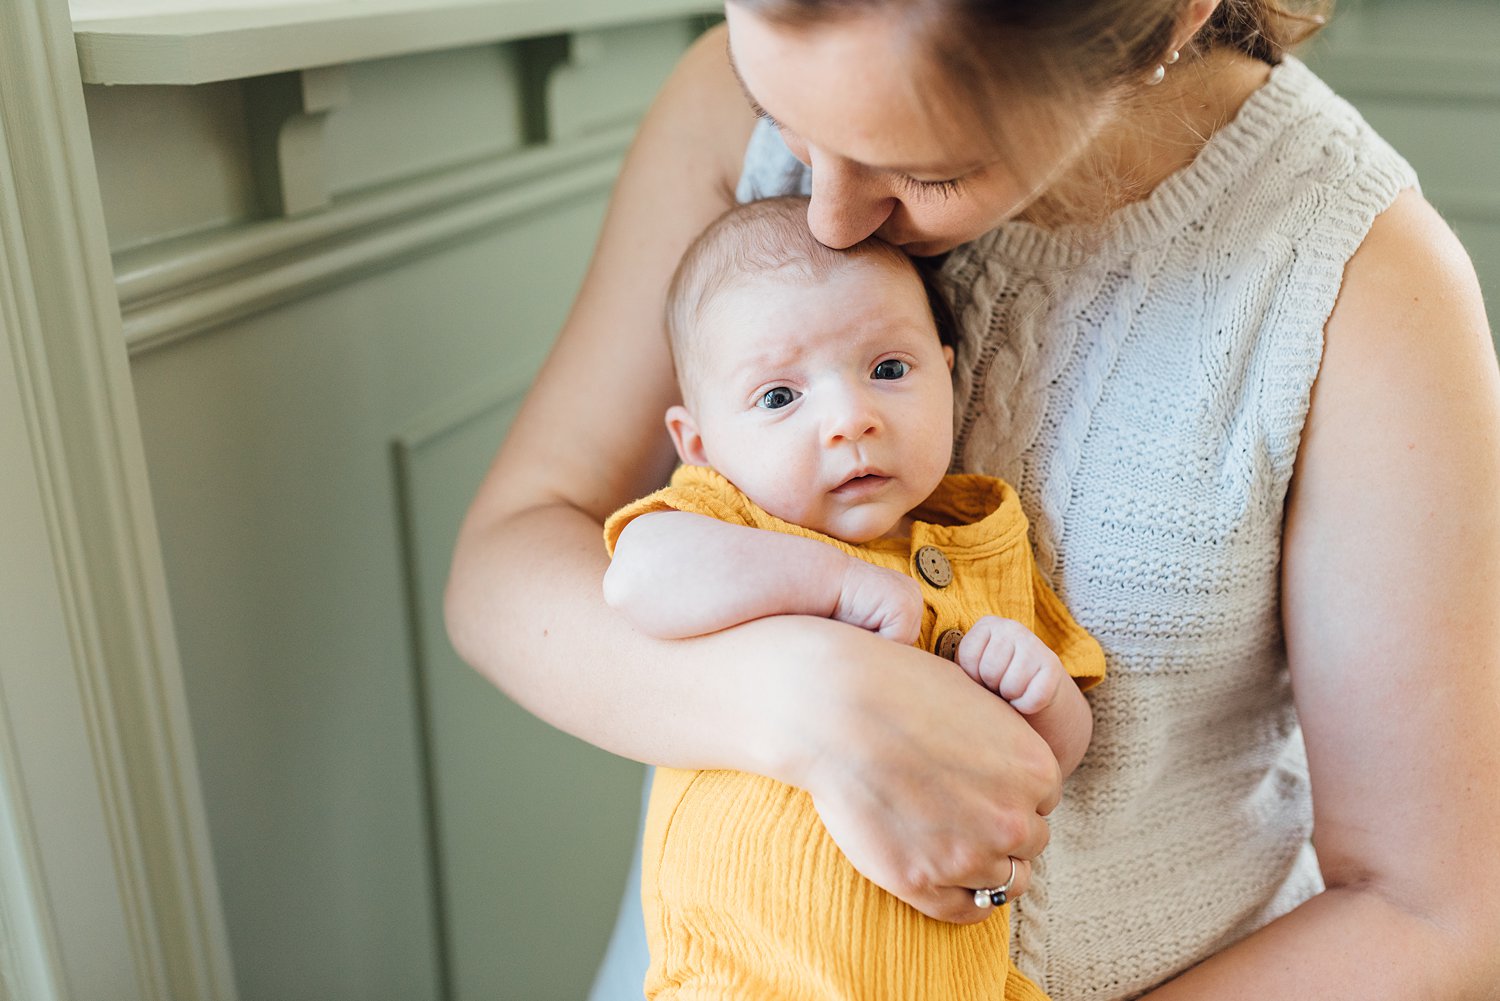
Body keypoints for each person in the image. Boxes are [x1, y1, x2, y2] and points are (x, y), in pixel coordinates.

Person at [444, 0, 1500, 997]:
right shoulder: (722, 105)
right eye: (788, 122)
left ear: (1163, 21)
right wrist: (803, 701)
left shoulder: (1361, 280)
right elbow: (512, 553)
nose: (830, 213)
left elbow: (1437, 915)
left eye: (924, 169)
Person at [600, 194, 1105, 999]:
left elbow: (1052, 767)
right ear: (700, 443)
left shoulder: (979, 537)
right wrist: (831, 582)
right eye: (779, 397)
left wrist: (1040, 692)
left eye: (888, 369)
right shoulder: (728, 518)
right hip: (739, 980)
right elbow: (637, 579)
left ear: (946, 372)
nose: (849, 418)